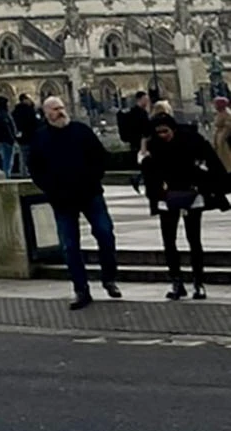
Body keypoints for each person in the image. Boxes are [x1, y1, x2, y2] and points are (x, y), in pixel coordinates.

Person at [28, 96, 121, 310]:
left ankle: (109, 278)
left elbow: (100, 156)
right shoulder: (41, 138)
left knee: (105, 233)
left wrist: (93, 177)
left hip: (90, 193)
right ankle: (81, 290)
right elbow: (35, 168)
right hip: (62, 199)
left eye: (61, 107)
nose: (59, 112)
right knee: (70, 246)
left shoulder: (81, 131)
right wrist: (50, 188)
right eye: (54, 109)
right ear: (46, 113)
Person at [142, 111, 227, 300]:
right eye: (159, 133)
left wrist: (207, 184)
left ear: (172, 128)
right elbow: (149, 171)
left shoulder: (190, 139)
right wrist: (144, 156)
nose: (163, 136)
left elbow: (211, 162)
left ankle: (198, 282)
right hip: (167, 195)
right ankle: (177, 281)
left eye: (165, 131)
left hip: (191, 192)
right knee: (169, 240)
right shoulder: (154, 145)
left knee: (194, 239)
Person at [12, 94, 39, 175]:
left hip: (21, 138)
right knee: (31, 156)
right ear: (24, 100)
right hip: (31, 137)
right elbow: (35, 123)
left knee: (23, 156)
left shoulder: (15, 111)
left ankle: (23, 172)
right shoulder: (30, 110)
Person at [212, 97, 231, 175]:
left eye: (216, 104)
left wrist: (222, 138)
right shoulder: (219, 113)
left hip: (224, 140)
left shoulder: (227, 114)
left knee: (226, 157)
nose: (214, 106)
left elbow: (228, 127)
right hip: (219, 138)